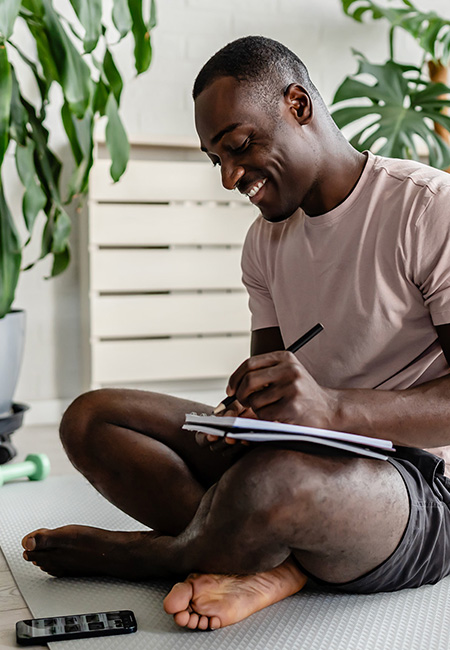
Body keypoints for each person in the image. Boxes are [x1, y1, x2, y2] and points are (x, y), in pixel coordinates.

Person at [21, 36, 450, 631]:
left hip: (413, 487)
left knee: (275, 481)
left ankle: (169, 555)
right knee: (91, 418)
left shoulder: (427, 209)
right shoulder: (265, 243)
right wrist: (242, 418)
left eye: (240, 146)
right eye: (215, 159)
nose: (228, 177)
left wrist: (330, 411)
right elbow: (272, 394)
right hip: (299, 457)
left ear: (297, 105)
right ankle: (265, 557)